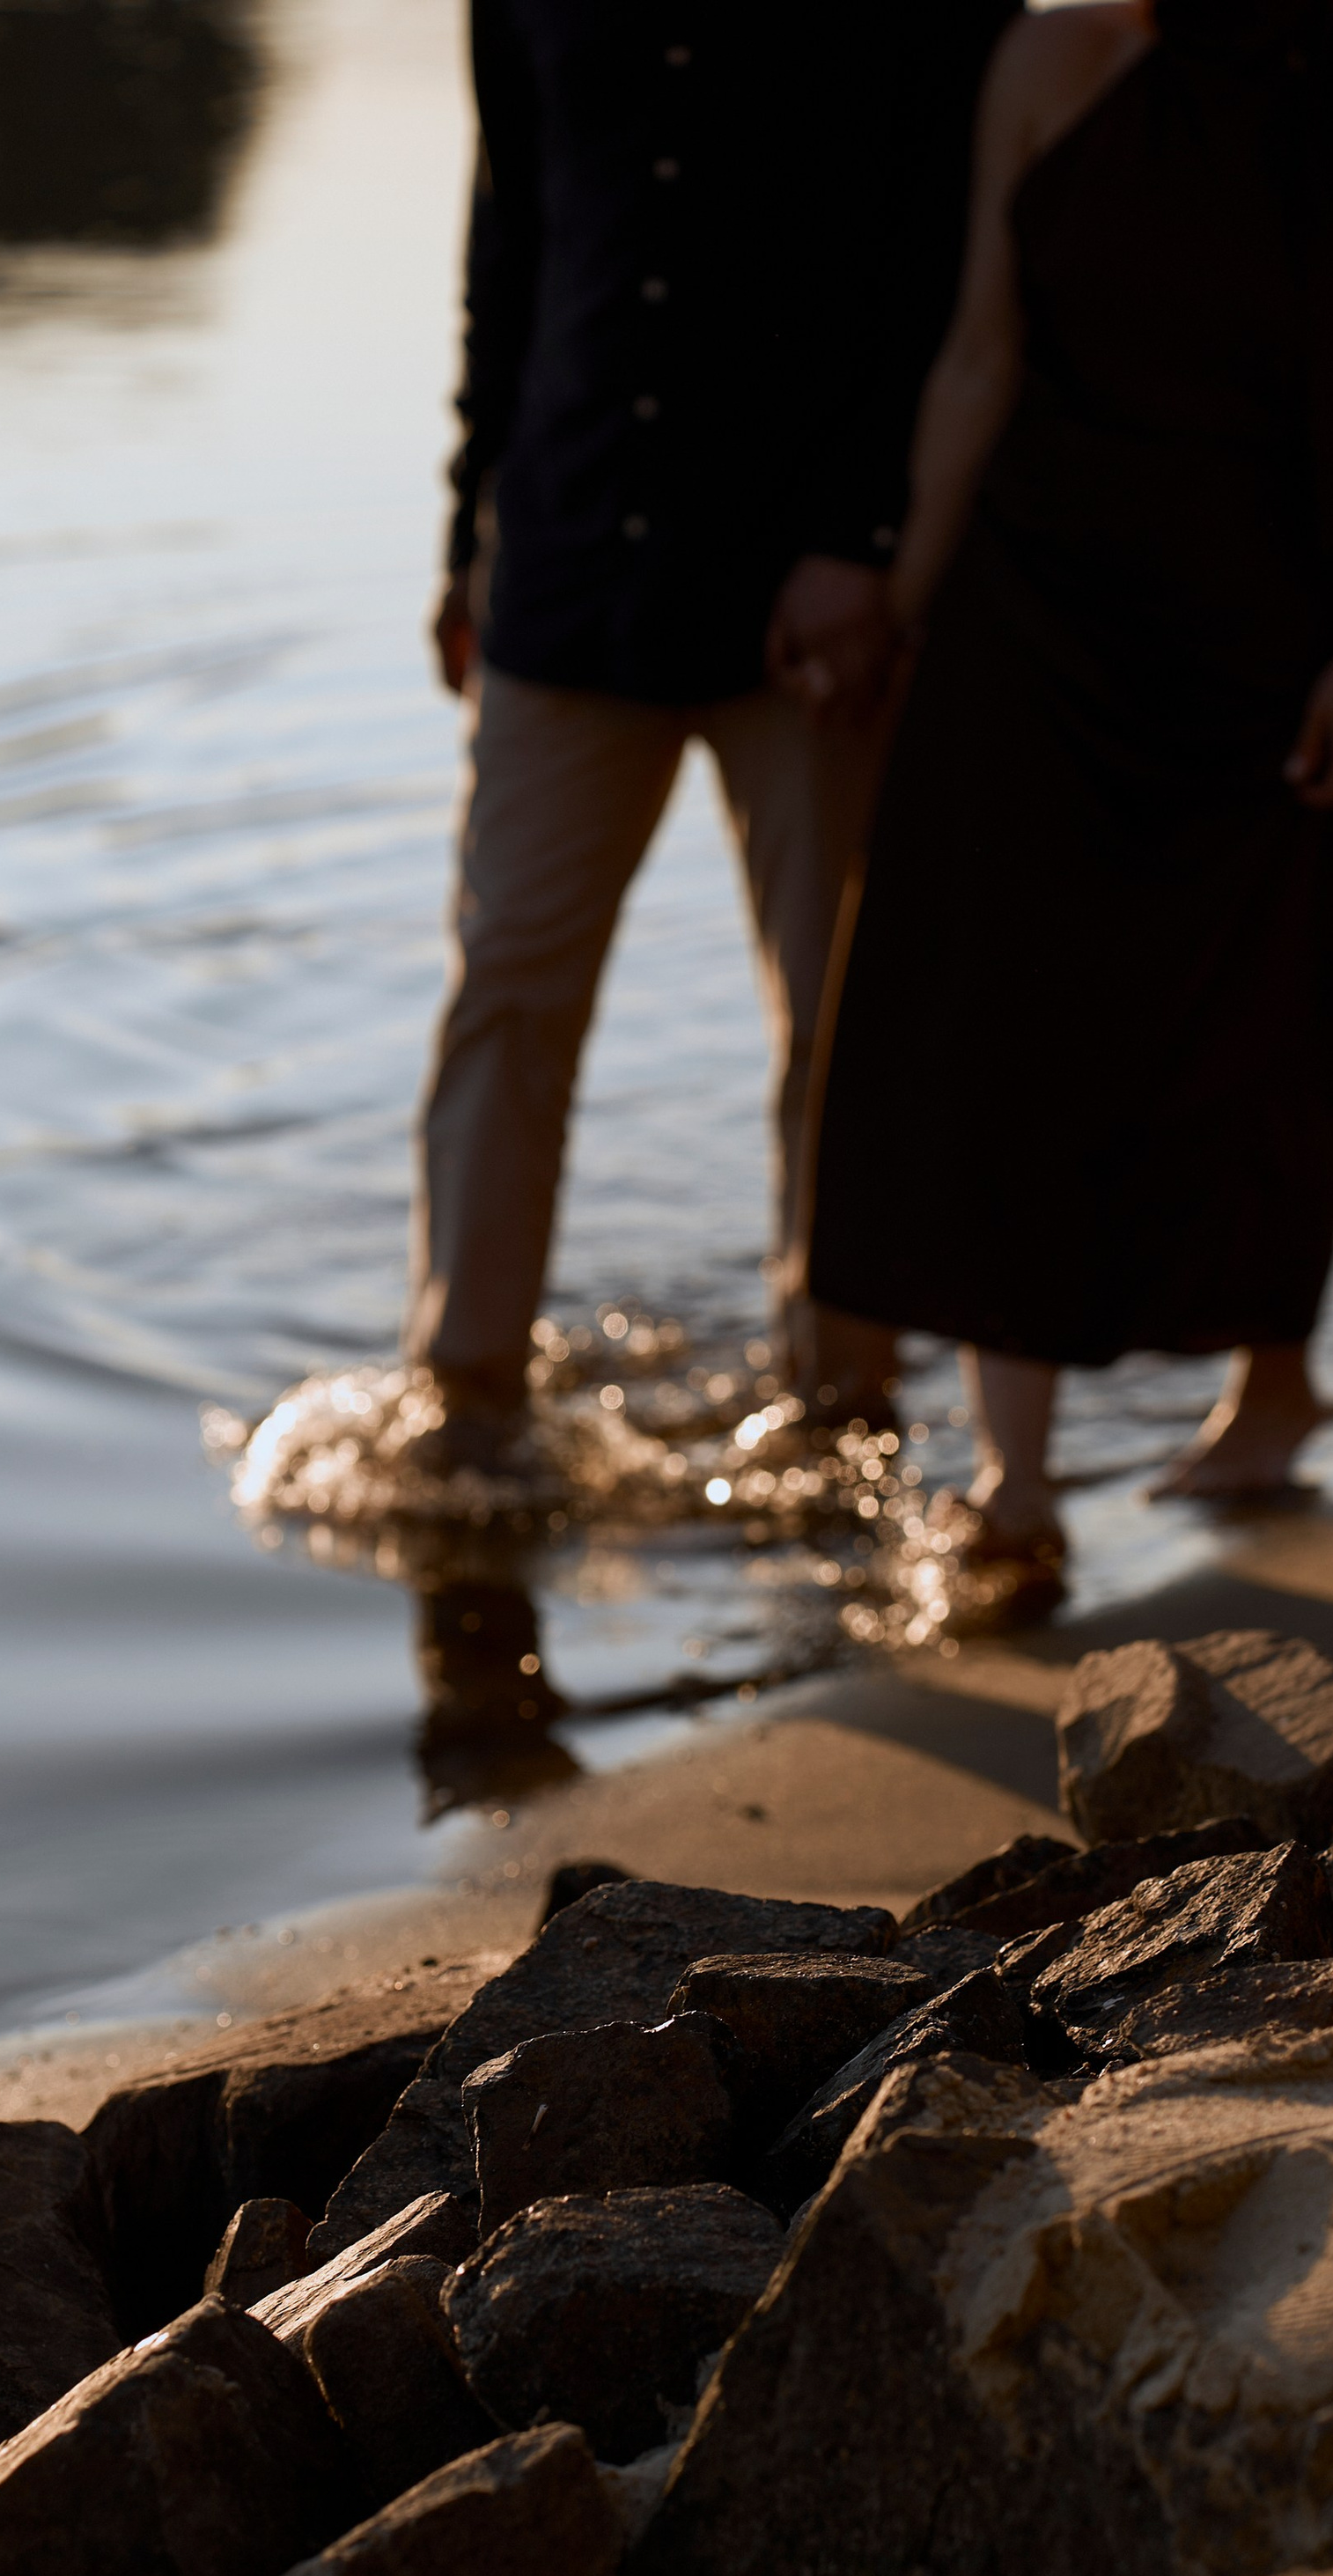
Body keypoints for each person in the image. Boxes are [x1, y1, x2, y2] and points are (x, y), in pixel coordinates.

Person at [805, 0, 1333, 1579]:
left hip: (1273, 626)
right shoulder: (1047, 57)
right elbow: (984, 353)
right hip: (1026, 615)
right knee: (992, 1015)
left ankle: (1273, 1388)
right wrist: (904, 611)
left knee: (1268, 1000)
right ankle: (1019, 1478)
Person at [409, 0, 1016, 1480]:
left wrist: (870, 541)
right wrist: (469, 522)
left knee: (837, 1012)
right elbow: (514, 239)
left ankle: (842, 1417)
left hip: (808, 603)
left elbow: (960, 261)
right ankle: (467, 1400)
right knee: (507, 989)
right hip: (566, 572)